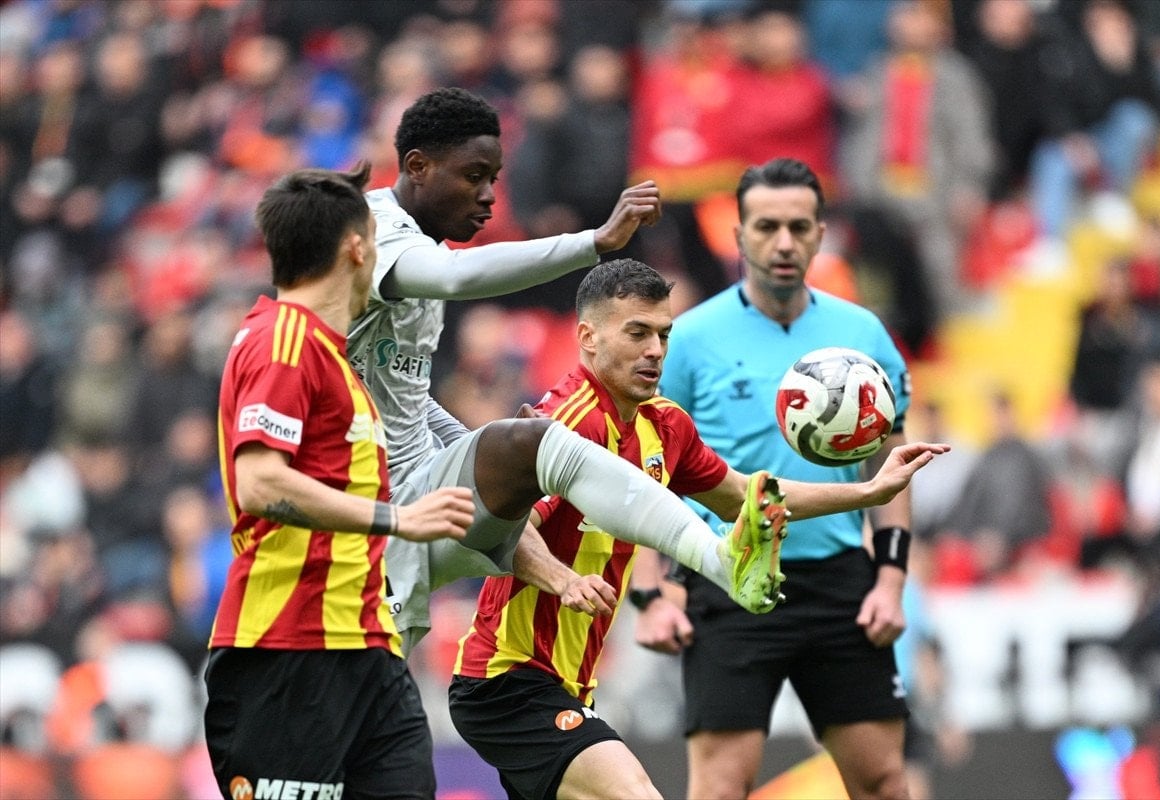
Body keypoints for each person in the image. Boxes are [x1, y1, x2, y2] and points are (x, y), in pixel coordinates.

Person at [447, 259, 948, 800]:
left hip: (570, 683)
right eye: (637, 333)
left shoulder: (664, 424)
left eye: (663, 335)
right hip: (506, 679)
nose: (655, 350)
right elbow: (504, 527)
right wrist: (563, 579)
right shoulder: (564, 424)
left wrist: (868, 492)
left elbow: (744, 497)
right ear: (588, 338)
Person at [346, 86, 786, 655]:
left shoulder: (421, 257)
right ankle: (716, 561)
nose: (488, 197)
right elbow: (457, 276)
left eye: (494, 179)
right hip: (361, 508)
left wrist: (471, 447)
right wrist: (594, 242)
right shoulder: (375, 230)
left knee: (535, 444)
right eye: (473, 177)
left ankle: (720, 561)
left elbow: (404, 392)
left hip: (418, 503)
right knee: (355, 708)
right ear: (417, 167)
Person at [638, 157, 921, 800]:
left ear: (822, 233)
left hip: (841, 582)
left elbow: (890, 464)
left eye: (799, 226)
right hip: (729, 576)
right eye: (767, 227)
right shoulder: (690, 339)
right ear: (737, 235)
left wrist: (890, 581)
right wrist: (651, 596)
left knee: (883, 781)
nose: (784, 243)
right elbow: (651, 470)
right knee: (719, 788)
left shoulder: (863, 334)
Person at [204, 164, 477, 800]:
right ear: (357, 248)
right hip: (287, 650)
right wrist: (398, 519)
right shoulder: (283, 341)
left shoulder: (333, 355)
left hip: (367, 648)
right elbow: (260, 483)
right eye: (378, 240)